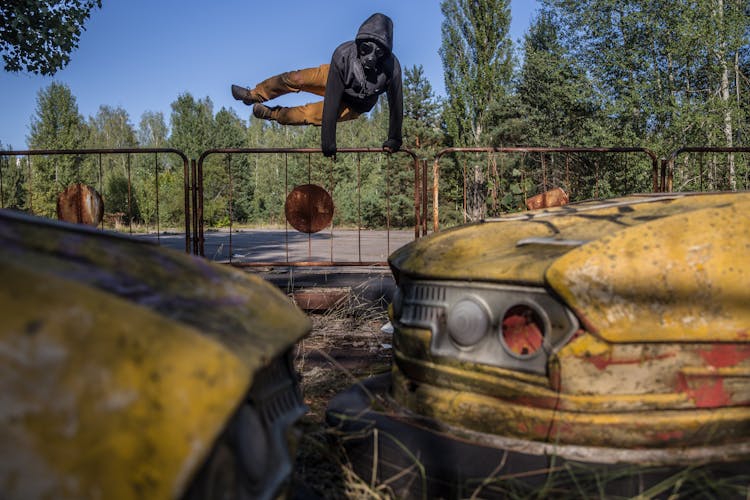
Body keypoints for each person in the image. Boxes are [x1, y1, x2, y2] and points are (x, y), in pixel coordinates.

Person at [231, 12, 403, 158]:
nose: (371, 57)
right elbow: (332, 100)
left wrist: (394, 139)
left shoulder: (392, 67)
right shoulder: (342, 55)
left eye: (378, 52)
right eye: (366, 48)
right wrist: (328, 140)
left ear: (385, 52)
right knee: (296, 78)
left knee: (310, 114)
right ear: (359, 43)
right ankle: (254, 95)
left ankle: (273, 114)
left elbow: (396, 104)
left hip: (355, 104)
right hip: (335, 78)